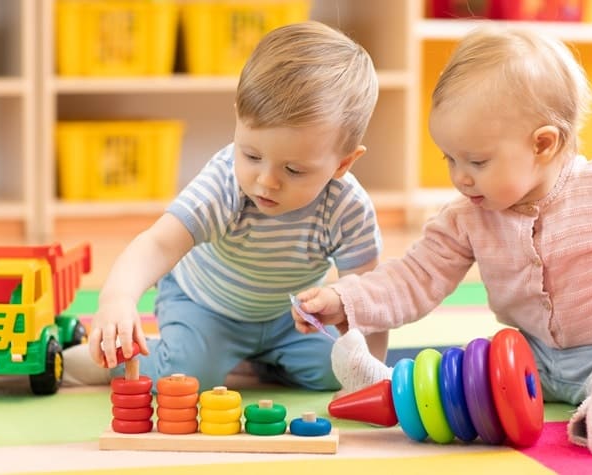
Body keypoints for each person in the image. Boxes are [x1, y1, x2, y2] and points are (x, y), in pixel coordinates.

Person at [293, 25, 592, 456]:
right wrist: (347, 301)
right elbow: (415, 276)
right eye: (449, 158)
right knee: (468, 380)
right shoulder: (468, 215)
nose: (459, 176)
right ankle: (387, 387)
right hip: (534, 355)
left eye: (476, 161)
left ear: (543, 145)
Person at [62, 20, 389, 394]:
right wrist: (117, 298)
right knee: (183, 379)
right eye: (251, 154)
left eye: (294, 169)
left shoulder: (348, 207)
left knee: (338, 369)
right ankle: (116, 362)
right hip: (205, 306)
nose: (266, 180)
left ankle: (261, 360)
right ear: (238, 119)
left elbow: (366, 298)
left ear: (343, 164)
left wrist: (369, 374)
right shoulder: (224, 185)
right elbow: (157, 244)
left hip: (288, 317)